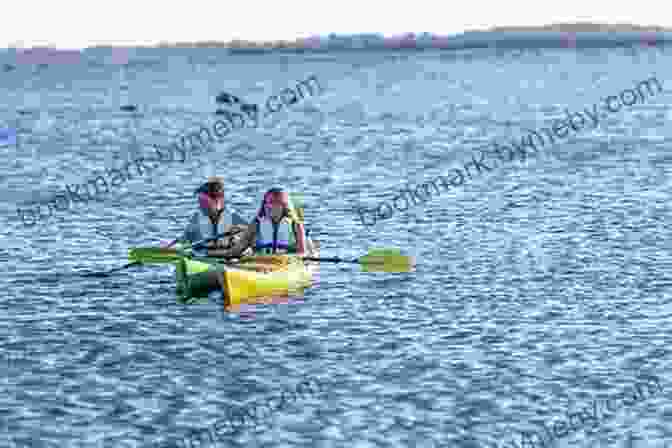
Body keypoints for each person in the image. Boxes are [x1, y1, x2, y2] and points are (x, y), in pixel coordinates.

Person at [211, 188, 315, 259]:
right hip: (261, 264)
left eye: (273, 203)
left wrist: (283, 258)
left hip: (287, 265)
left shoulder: (296, 225)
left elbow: (302, 253)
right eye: (266, 202)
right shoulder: (256, 224)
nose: (268, 206)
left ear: (284, 206)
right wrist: (211, 254)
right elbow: (235, 251)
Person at [181, 176, 248, 255]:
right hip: (205, 255)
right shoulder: (196, 219)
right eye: (201, 204)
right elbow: (184, 241)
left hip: (229, 256)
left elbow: (251, 233)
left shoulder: (232, 217)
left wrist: (240, 234)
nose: (201, 206)